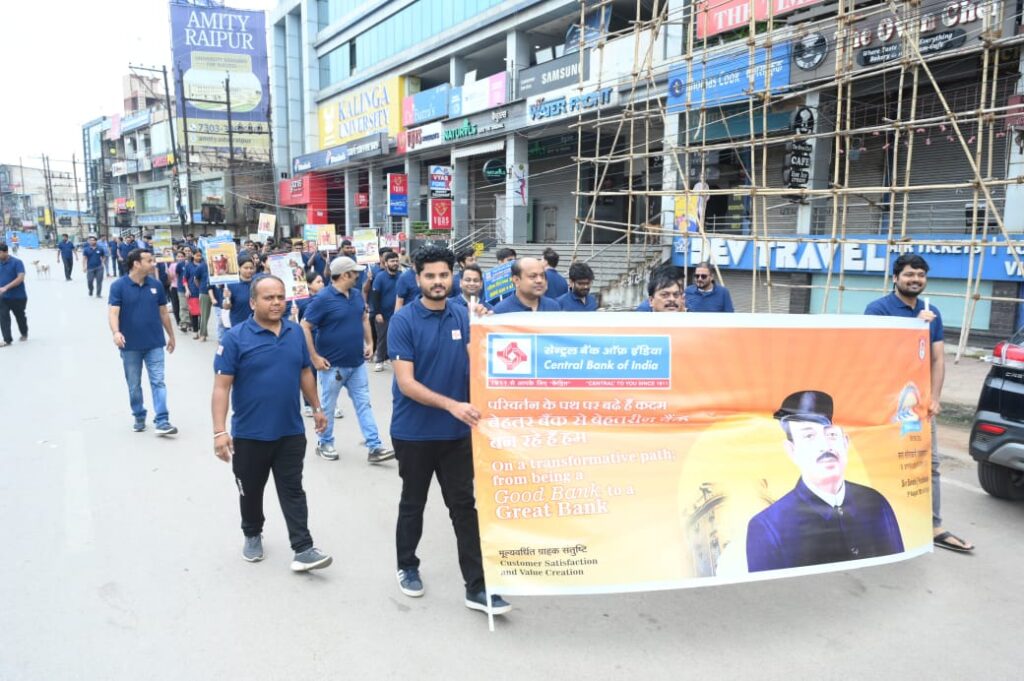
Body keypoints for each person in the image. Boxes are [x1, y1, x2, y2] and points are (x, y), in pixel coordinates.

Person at [387, 244, 511, 615]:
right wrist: (452, 405)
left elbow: (482, 363)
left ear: (452, 276)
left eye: (444, 275)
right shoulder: (403, 321)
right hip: (414, 432)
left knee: (463, 507)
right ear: (417, 278)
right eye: (430, 276)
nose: (438, 281)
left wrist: (485, 326)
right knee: (413, 502)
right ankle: (407, 565)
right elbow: (406, 383)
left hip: (457, 434)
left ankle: (478, 586)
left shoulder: (464, 314)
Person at [212, 275, 333, 572]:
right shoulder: (235, 338)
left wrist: (317, 407)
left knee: (293, 489)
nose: (277, 302)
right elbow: (221, 387)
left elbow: (305, 372)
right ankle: (252, 533)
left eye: (281, 297)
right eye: (269, 298)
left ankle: (303, 548)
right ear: (253, 302)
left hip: (290, 431)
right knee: (251, 491)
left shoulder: (295, 332)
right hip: (250, 435)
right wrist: (219, 432)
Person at [865, 254, 973, 553]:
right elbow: (874, 354)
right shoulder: (878, 310)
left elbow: (937, 359)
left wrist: (935, 397)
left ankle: (933, 525)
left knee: (928, 464)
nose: (916, 280)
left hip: (919, 402)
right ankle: (881, 523)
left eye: (921, 275)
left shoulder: (931, 311)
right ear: (896, 278)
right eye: (910, 274)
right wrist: (914, 327)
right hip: (886, 401)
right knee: (886, 460)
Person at [746, 390, 904, 572]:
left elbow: (897, 570)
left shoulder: (875, 503)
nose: (825, 446)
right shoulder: (768, 527)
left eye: (831, 435)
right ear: (792, 450)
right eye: (809, 436)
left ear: (845, 442)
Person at [300, 257, 393, 464]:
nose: (358, 275)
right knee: (328, 407)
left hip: (357, 364)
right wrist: (314, 357)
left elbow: (363, 318)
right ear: (344, 275)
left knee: (364, 404)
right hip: (331, 366)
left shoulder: (357, 295)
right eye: (355, 272)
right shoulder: (322, 299)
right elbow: (304, 326)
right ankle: (324, 443)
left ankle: (374, 446)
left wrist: (369, 343)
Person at [107, 248, 178, 435]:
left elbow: (163, 313)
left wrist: (171, 336)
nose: (153, 264)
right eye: (149, 261)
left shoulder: (156, 285)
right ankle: (139, 414)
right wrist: (116, 332)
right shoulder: (118, 286)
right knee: (134, 384)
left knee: (158, 381)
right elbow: (113, 313)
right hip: (130, 346)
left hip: (154, 343)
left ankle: (162, 420)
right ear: (136, 264)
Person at [492, 257, 561, 313]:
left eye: (542, 275)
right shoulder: (501, 311)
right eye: (533, 276)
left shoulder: (553, 307)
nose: (539, 280)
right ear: (516, 280)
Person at [369, 250, 400, 372]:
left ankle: (393, 359)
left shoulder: (401, 276)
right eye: (392, 261)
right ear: (386, 263)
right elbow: (375, 296)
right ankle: (379, 361)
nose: (395, 263)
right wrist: (377, 313)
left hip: (398, 314)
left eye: (396, 261)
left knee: (398, 338)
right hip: (383, 314)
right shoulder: (380, 277)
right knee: (383, 338)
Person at [0, 243, 28, 347]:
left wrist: (6, 287)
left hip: (18, 297)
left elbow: (20, 278)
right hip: (3, 297)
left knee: (20, 317)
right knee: (3, 317)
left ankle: (24, 332)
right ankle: (7, 340)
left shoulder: (17, 262)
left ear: (6, 252)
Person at [224, 256, 257, 329]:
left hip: (255, 324)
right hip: (238, 324)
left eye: (251, 268)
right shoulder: (231, 285)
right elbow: (226, 307)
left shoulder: (258, 283)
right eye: (246, 268)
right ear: (239, 268)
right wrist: (227, 298)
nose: (249, 270)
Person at [187, 249, 211, 341]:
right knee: (204, 314)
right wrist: (201, 287)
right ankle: (203, 334)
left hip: (218, 292)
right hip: (205, 292)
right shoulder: (202, 266)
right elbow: (196, 279)